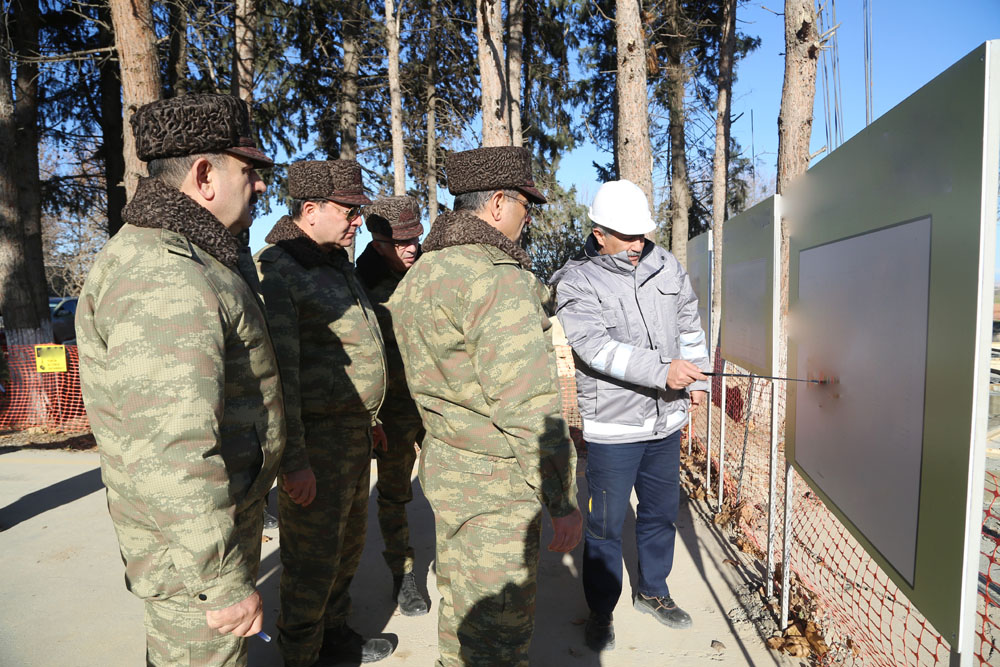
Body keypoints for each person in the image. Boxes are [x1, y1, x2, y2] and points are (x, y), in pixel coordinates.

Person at [75, 94, 285, 666]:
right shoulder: (164, 274)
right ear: (203, 174)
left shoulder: (189, 257)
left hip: (198, 540)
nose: (261, 186)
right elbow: (174, 450)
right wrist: (220, 580)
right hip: (190, 557)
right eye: (249, 171)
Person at [391, 146, 583, 666]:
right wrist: (563, 500)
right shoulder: (496, 277)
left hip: (450, 470)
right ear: (498, 202)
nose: (528, 217)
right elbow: (530, 407)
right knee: (497, 638)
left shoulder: (422, 273)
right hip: (497, 487)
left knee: (460, 613)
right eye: (526, 204)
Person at [550, 179, 710, 652]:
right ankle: (602, 609)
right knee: (605, 525)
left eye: (642, 233)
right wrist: (665, 372)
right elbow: (595, 349)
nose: (638, 243)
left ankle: (654, 593)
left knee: (660, 515)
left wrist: (696, 380)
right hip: (615, 428)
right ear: (599, 233)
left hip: (666, 423)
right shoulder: (577, 279)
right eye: (626, 235)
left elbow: (689, 324)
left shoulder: (665, 265)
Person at [254, 160, 394, 667]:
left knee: (345, 550)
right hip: (314, 444)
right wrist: (293, 461)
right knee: (311, 562)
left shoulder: (334, 263)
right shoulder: (280, 271)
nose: (358, 220)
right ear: (310, 211)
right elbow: (279, 376)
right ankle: (301, 653)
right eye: (349, 210)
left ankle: (333, 636)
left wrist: (371, 420)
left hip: (351, 436)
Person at [355, 196, 429, 617]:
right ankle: (403, 576)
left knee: (452, 488)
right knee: (395, 495)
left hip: (436, 403)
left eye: (415, 238)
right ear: (377, 240)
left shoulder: (427, 273)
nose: (411, 248)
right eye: (400, 241)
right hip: (393, 410)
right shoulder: (358, 283)